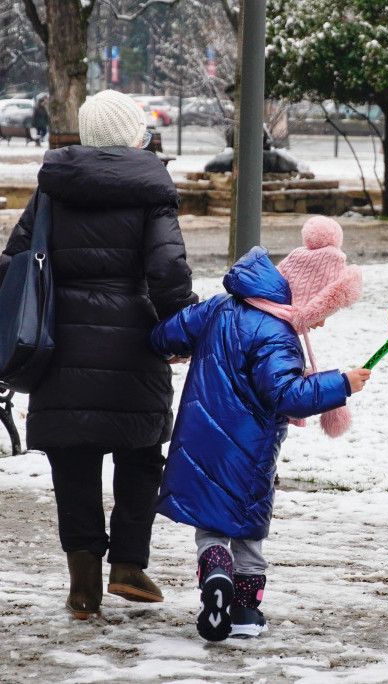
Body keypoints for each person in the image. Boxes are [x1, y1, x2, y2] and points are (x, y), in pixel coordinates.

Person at [0, 89, 198, 619]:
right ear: (136, 135)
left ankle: (83, 583)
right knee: (140, 456)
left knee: (74, 463)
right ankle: (129, 565)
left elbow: (14, 263)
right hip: (134, 347)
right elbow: (168, 273)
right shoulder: (152, 190)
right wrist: (184, 332)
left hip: (59, 346)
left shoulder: (52, 190)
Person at [149, 216, 371, 642]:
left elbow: (167, 334)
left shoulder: (221, 305)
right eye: (324, 312)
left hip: (199, 441)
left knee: (212, 525)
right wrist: (342, 383)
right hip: (250, 452)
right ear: (308, 299)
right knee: (249, 526)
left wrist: (174, 349)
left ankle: (215, 572)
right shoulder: (278, 335)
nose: (322, 323)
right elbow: (287, 394)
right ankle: (246, 612)